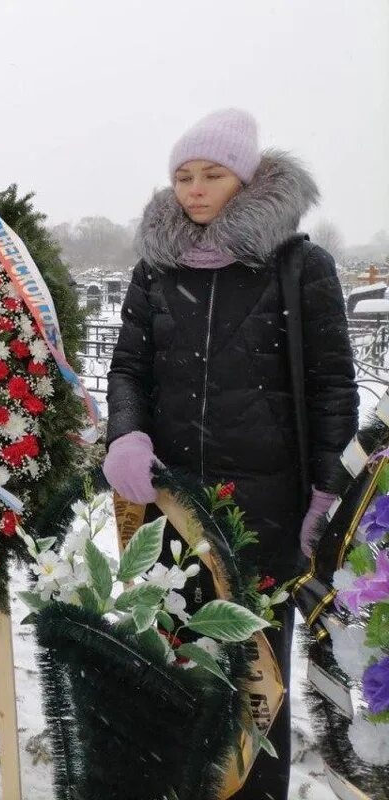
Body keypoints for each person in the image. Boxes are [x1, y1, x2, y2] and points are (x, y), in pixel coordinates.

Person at [105, 108, 357, 799]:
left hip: (266, 511)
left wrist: (327, 496)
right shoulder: (155, 271)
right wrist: (125, 432)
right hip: (174, 507)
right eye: (183, 176)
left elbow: (334, 385)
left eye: (211, 174)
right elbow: (128, 367)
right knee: (182, 660)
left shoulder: (300, 268)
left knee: (254, 674)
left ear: (245, 179)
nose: (194, 188)